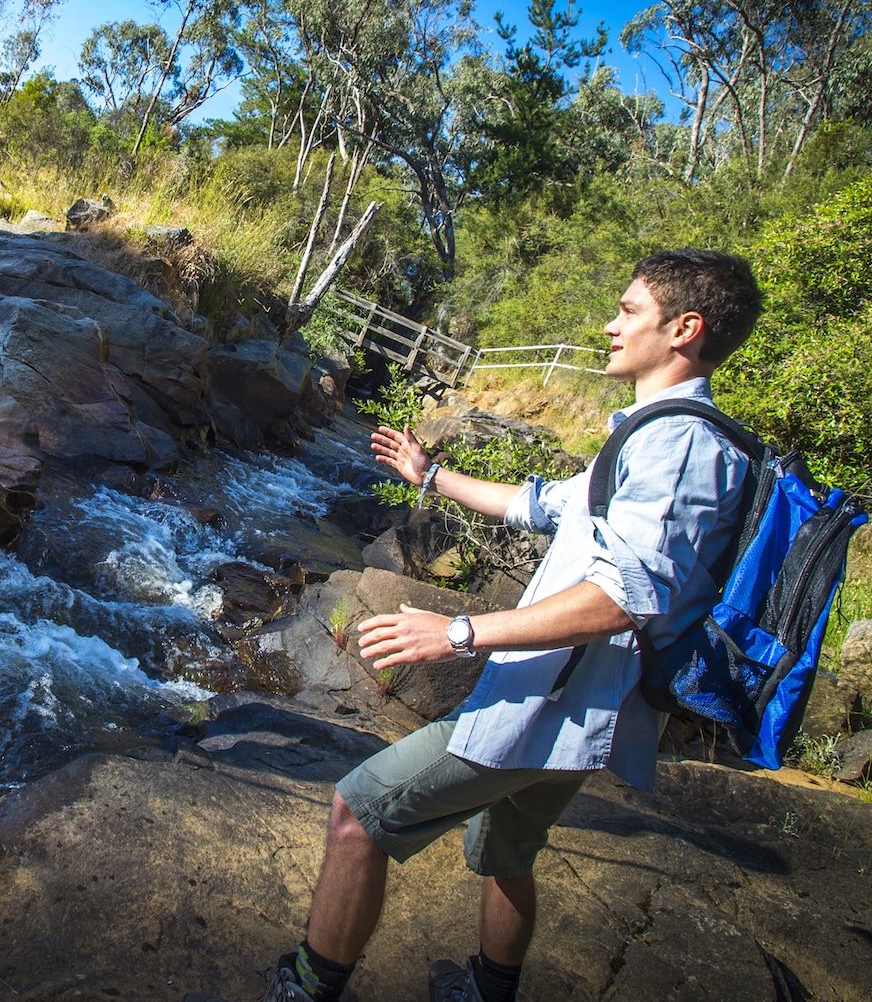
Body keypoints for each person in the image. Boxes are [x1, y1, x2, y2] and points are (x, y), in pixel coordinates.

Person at [186, 249, 765, 1002]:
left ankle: (308, 988)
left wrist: (458, 633)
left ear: (684, 328)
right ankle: (488, 993)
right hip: (581, 701)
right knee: (508, 851)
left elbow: (626, 598)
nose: (609, 326)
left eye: (628, 311)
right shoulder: (650, 431)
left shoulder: (680, 444)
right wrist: (429, 476)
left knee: (358, 813)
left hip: (555, 701)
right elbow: (540, 505)